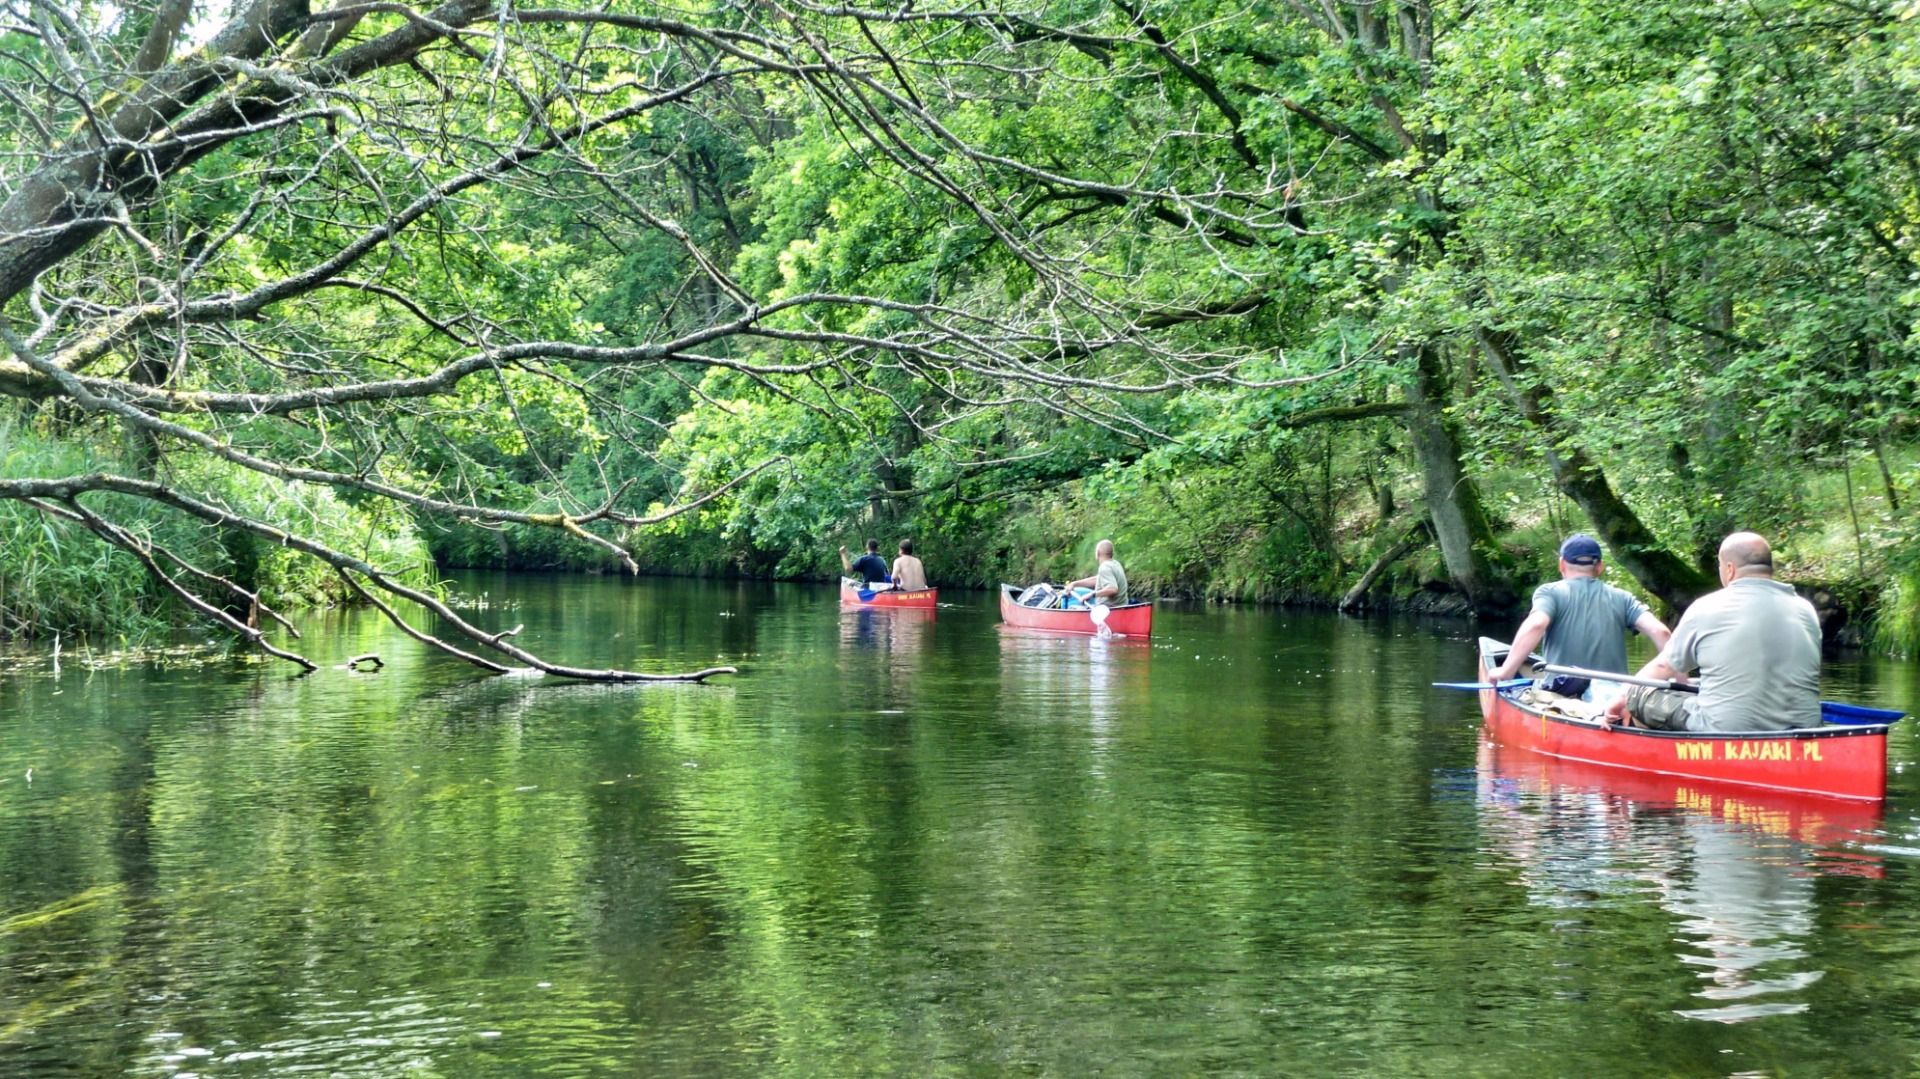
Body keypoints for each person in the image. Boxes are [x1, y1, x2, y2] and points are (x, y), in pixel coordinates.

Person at [1602, 532, 1821, 732]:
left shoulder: (1707, 607)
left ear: (1729, 569)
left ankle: (1643, 743)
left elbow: (1663, 666)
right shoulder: (1805, 610)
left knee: (1640, 693)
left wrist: (1622, 696)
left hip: (1726, 728)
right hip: (1804, 726)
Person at [1491, 533, 1671, 703]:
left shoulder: (1550, 593)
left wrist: (1506, 671)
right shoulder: (1623, 598)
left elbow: (1536, 625)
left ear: (1561, 564)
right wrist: (1677, 680)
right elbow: (1661, 632)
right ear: (1599, 567)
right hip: (1616, 699)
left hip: (1564, 694)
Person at [1065, 539, 1129, 606]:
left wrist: (1092, 594)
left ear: (1097, 553)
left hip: (1108, 609)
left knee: (1073, 606)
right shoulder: (1115, 564)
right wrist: (1074, 584)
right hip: (1122, 606)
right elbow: (1099, 579)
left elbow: (1112, 589)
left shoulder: (1104, 567)